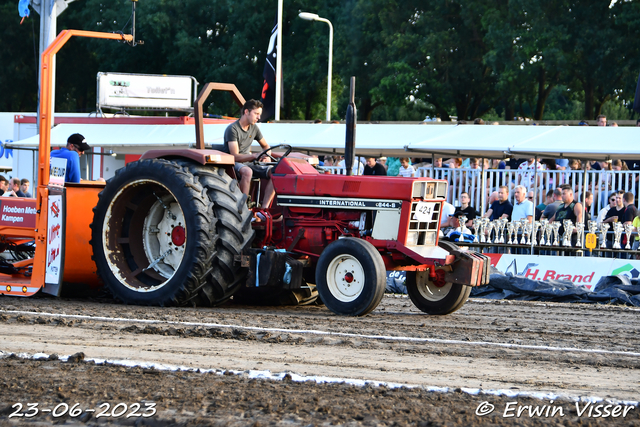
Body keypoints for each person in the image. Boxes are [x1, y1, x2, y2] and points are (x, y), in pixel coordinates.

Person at [223, 99, 275, 208]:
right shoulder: (232, 129)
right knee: (247, 171)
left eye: (259, 114)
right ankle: (243, 208)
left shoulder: (254, 128)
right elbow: (235, 156)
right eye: (256, 114)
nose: (259, 117)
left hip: (249, 162)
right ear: (246, 112)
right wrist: (253, 156)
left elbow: (266, 146)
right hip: (234, 163)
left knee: (275, 172)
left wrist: (267, 156)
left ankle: (264, 209)